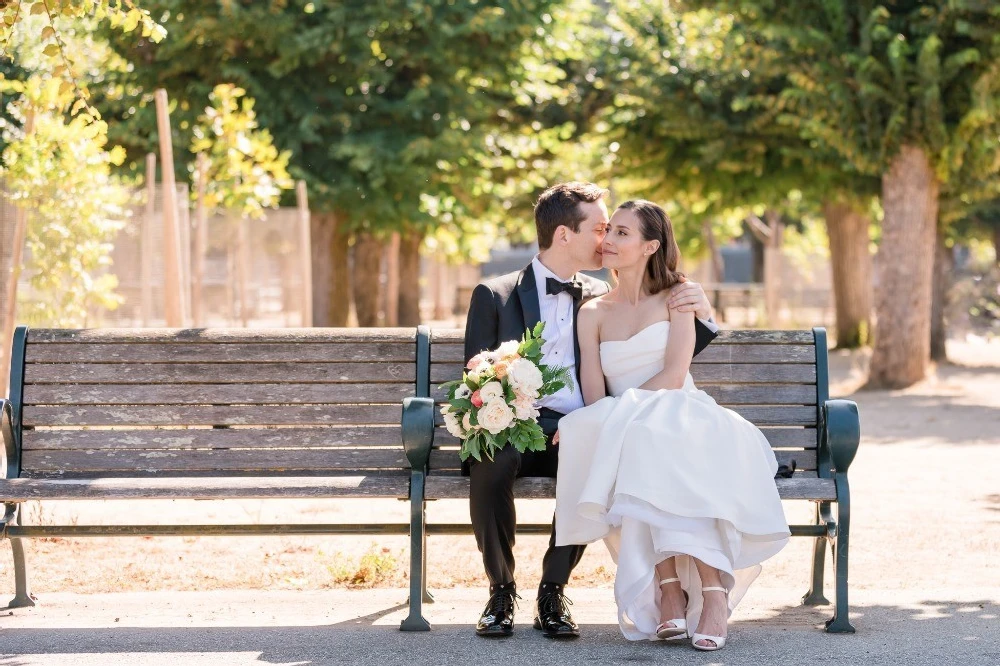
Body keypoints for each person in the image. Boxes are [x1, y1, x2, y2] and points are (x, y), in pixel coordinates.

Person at [463, 183, 719, 638]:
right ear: (564, 235)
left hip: (581, 423)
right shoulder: (495, 294)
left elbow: (661, 345)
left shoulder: (600, 293)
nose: (606, 239)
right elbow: (477, 376)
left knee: (588, 452)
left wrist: (704, 311)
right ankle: (501, 591)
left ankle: (552, 591)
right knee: (490, 460)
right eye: (600, 228)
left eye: (613, 230)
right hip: (513, 425)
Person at [554, 199, 790, 651]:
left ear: (650, 246)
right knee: (636, 441)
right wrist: (591, 422)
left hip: (683, 413)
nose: (609, 241)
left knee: (651, 436)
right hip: (629, 425)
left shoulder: (678, 296)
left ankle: (696, 592)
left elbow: (675, 374)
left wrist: (617, 416)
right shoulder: (592, 312)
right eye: (609, 231)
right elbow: (593, 390)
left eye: (623, 233)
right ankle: (678, 588)